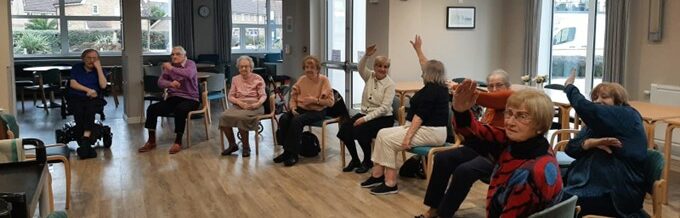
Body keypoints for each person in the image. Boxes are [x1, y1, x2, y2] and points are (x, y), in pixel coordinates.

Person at [409, 35, 517, 217]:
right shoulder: (490, 106)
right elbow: (473, 128)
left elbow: (490, 99)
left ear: (508, 86)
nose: (494, 89)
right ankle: (433, 209)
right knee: (443, 159)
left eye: (499, 85)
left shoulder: (510, 98)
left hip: (498, 154)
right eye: (491, 86)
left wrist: (461, 89)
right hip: (479, 146)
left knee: (463, 171)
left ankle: (444, 213)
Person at [452, 80, 563, 217]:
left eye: (522, 116)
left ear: (541, 125)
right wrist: (460, 112)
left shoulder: (530, 174)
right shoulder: (530, 143)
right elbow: (476, 133)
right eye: (509, 113)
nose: (510, 122)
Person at [359, 42, 450, 195]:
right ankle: (377, 175)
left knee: (388, 141)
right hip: (423, 129)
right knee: (382, 133)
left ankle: (390, 183)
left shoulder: (433, 91)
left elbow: (419, 118)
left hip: (431, 132)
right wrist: (418, 50)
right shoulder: (435, 86)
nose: (421, 72)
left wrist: (407, 137)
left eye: (424, 71)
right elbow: (424, 63)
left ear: (429, 74)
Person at [562, 72, 648, 217]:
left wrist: (569, 87)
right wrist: (589, 143)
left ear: (618, 100)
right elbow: (570, 148)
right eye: (595, 98)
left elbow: (589, 109)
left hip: (616, 192)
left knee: (556, 201)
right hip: (587, 181)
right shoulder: (596, 125)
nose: (598, 101)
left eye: (604, 97)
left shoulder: (627, 115)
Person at [336, 45, 396, 173]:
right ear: (375, 67)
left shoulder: (390, 84)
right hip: (365, 113)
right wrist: (366, 55)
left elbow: (385, 108)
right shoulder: (370, 76)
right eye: (379, 66)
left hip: (383, 118)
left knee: (360, 130)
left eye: (385, 67)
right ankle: (355, 160)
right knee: (345, 129)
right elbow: (360, 67)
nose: (382, 69)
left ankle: (367, 161)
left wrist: (365, 119)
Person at [274, 56, 334, 167]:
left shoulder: (323, 80)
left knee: (297, 121)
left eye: (312, 67)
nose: (309, 70)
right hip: (301, 108)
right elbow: (293, 96)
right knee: (284, 118)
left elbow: (330, 102)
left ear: (317, 69)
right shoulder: (302, 79)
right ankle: (287, 151)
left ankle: (293, 154)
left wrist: (314, 100)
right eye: (306, 67)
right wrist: (292, 108)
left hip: (317, 110)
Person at [138, 46, 199, 154]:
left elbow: (189, 74)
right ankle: (151, 141)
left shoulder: (190, 64)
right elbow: (160, 82)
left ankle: (178, 141)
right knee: (152, 108)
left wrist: (171, 68)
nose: (174, 56)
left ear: (184, 56)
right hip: (174, 98)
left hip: (191, 98)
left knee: (180, 109)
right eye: (172, 54)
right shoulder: (169, 67)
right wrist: (170, 83)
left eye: (177, 54)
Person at [219, 56, 266, 157]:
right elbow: (230, 96)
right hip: (239, 105)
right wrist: (239, 102)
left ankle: (246, 147)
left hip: (254, 106)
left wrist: (257, 104)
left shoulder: (258, 78)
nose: (243, 69)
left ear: (251, 67)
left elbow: (263, 95)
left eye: (246, 66)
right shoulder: (235, 79)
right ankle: (232, 145)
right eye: (241, 67)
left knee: (242, 118)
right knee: (223, 116)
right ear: (238, 68)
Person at [68, 49, 108, 159]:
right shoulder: (77, 68)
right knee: (79, 110)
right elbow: (73, 83)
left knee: (90, 109)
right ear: (83, 59)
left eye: (95, 58)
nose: (92, 60)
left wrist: (99, 68)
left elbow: (103, 85)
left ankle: (84, 142)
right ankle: (86, 144)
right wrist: (88, 90)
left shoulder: (100, 70)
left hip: (93, 99)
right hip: (77, 97)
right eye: (89, 58)